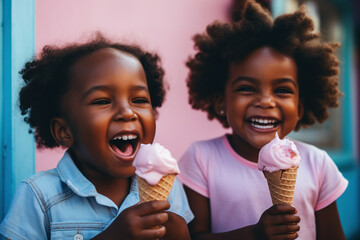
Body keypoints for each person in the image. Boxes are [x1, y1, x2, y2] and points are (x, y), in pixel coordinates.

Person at [178, 1, 348, 239]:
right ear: (221, 102)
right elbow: (191, 237)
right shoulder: (201, 159)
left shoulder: (317, 164)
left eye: (282, 90)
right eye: (247, 88)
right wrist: (254, 234)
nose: (266, 101)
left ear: (299, 107)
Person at [0, 34, 193, 240]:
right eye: (102, 101)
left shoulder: (170, 188)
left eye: (138, 99)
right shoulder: (39, 196)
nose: (128, 112)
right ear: (64, 131)